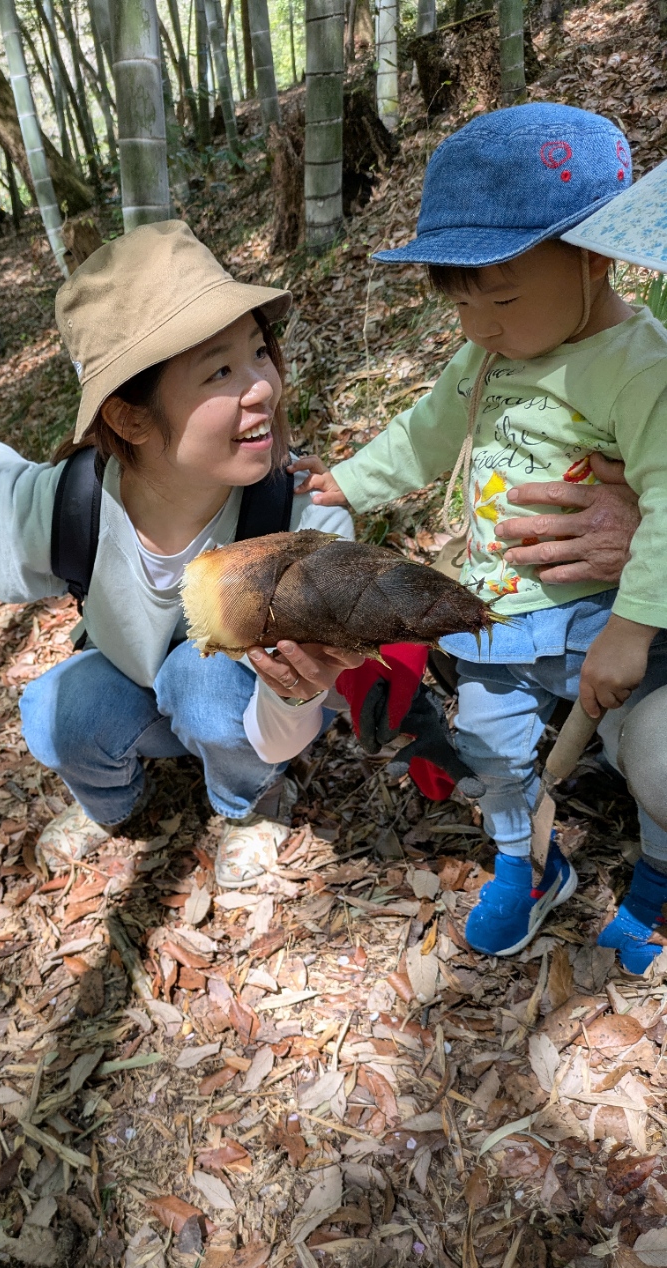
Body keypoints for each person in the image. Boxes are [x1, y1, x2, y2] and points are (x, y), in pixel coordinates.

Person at [296, 103, 667, 971]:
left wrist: (633, 627)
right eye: (461, 305)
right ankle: (528, 863)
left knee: (651, 752)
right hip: (497, 612)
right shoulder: (491, 355)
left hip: (599, 616)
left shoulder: (639, 367)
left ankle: (656, 873)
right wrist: (350, 480)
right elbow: (427, 430)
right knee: (488, 745)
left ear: (594, 258)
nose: (477, 327)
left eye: (499, 298)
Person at [0, 221, 362, 890]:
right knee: (56, 710)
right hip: (136, 680)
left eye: (258, 352)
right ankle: (115, 804)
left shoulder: (300, 518)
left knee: (200, 677)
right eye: (220, 370)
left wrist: (295, 697)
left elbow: (287, 721)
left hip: (243, 703)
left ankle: (248, 802)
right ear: (129, 417)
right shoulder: (70, 502)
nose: (262, 388)